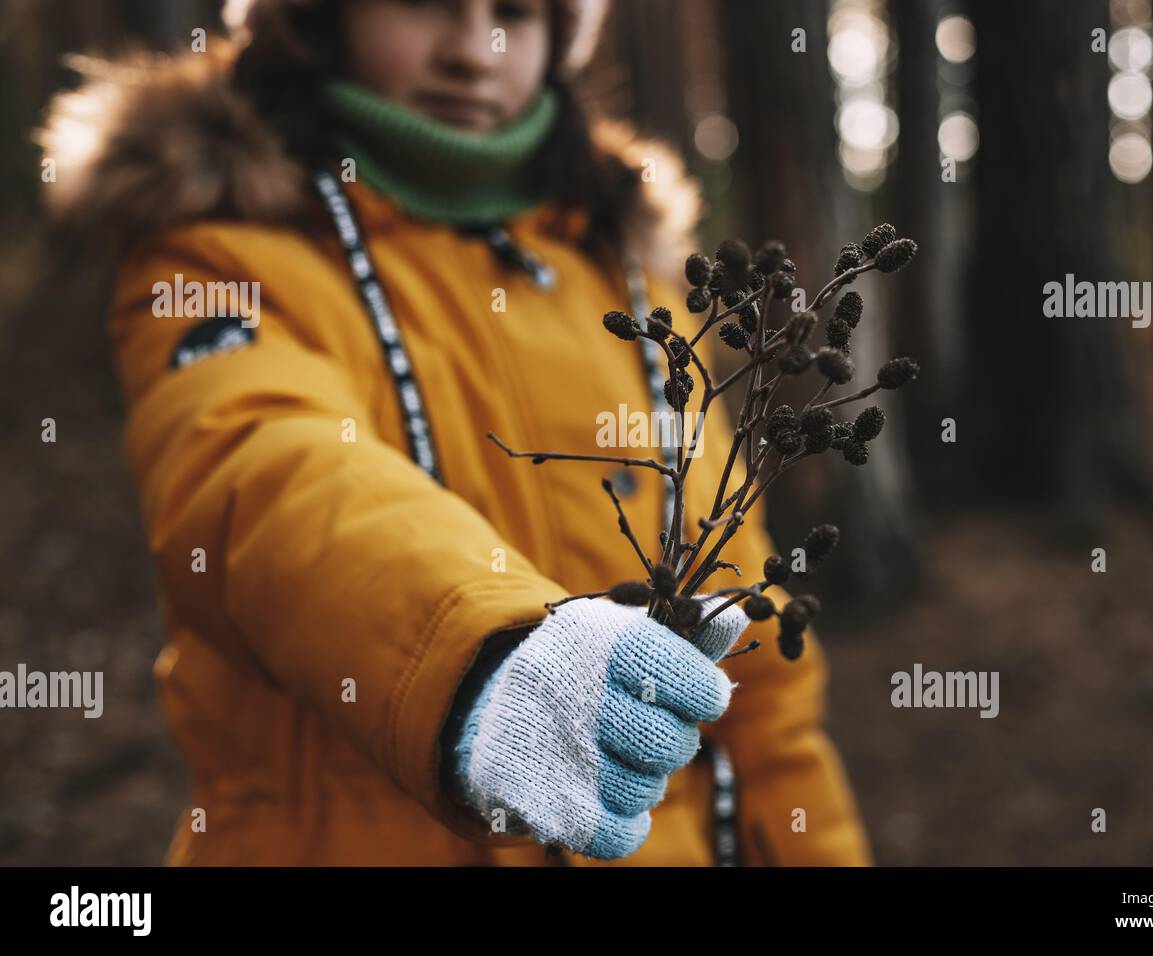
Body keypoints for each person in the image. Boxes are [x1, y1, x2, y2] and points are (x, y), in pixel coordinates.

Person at [38, 0, 871, 866]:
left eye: (514, 11)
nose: (476, 52)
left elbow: (762, 690)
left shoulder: (631, 280)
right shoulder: (219, 252)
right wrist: (484, 659)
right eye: (428, 3)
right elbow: (263, 473)